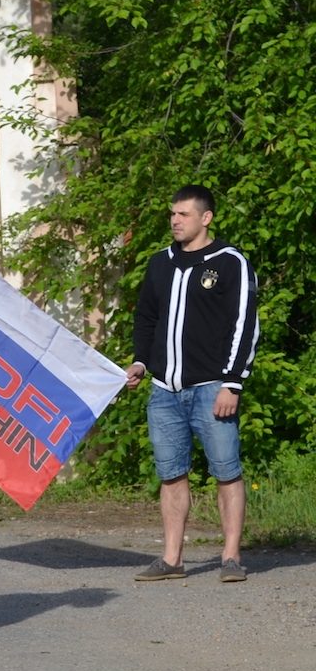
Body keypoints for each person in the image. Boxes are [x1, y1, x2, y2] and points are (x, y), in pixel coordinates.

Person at [124, 185, 259, 583]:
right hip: (164, 391)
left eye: (183, 214)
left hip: (213, 388)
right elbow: (146, 318)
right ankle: (172, 559)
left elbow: (245, 325)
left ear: (206, 218)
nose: (175, 220)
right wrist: (141, 361)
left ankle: (231, 558)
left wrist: (233, 383)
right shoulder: (160, 263)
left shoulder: (230, 262)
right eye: (173, 213)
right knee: (171, 474)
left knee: (226, 471)